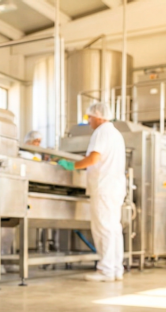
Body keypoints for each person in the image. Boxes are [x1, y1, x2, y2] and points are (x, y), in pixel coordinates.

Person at [57, 102, 126, 282]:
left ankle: (105, 270)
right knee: (114, 228)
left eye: (89, 117)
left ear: (98, 116)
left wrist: (72, 165)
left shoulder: (101, 131)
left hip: (104, 187)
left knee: (103, 228)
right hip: (115, 187)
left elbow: (94, 158)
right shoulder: (116, 134)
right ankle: (116, 269)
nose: (88, 121)